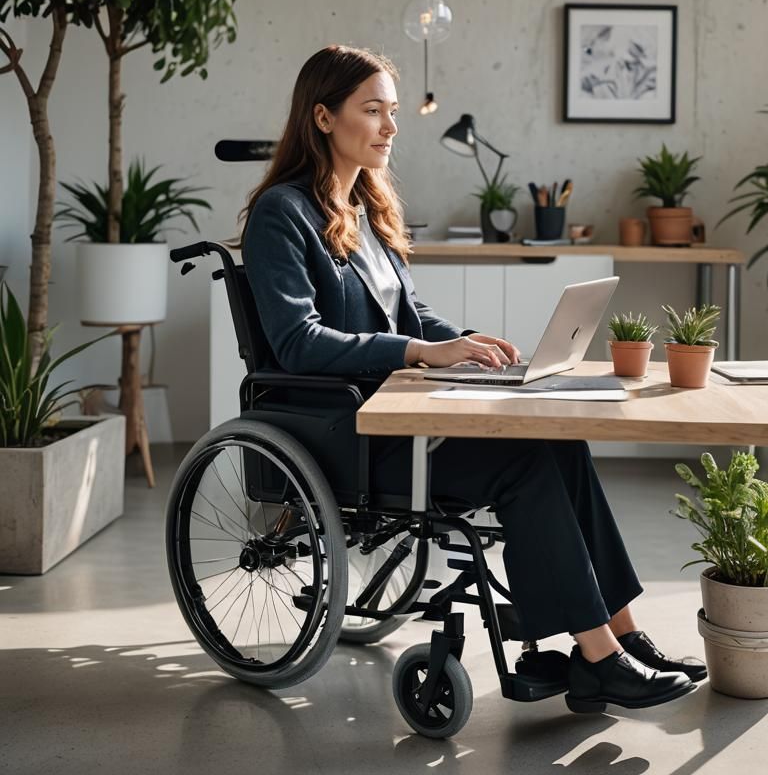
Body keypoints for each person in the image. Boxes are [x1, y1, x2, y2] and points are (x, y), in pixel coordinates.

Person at [240, 44, 706, 711]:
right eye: (372, 111)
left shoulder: (366, 211)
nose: (390, 128)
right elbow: (296, 343)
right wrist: (418, 354)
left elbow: (409, 312)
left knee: (561, 444)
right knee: (524, 464)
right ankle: (598, 658)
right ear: (322, 117)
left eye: (393, 112)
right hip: (348, 431)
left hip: (401, 415)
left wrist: (461, 343)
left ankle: (621, 637)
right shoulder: (282, 214)